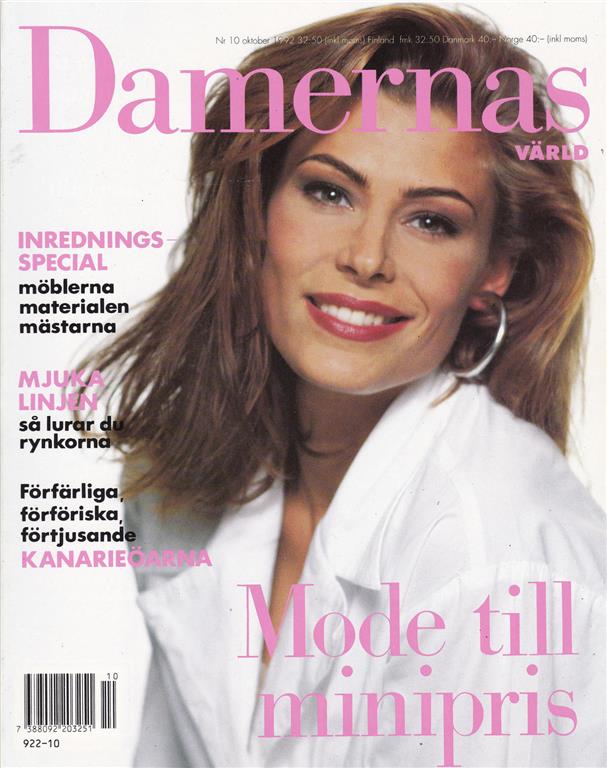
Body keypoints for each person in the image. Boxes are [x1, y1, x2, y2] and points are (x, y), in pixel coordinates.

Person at [86, 4, 605, 766]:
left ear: (494, 269)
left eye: (431, 222)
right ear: (259, 205)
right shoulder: (181, 487)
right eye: (330, 193)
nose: (366, 258)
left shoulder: (492, 563)